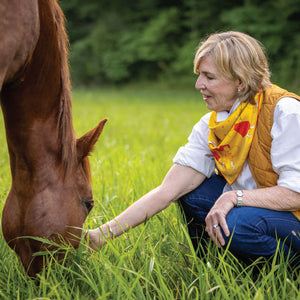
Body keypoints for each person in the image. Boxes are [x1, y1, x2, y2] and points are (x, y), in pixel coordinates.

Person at [87, 31, 300, 264]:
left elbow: (295, 194)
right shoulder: (212, 125)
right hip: (255, 211)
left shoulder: (285, 113)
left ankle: (287, 273)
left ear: (240, 81)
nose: (199, 84)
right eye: (200, 75)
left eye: (209, 77)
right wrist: (101, 235)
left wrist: (233, 197)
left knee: (236, 222)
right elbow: (167, 191)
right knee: (193, 193)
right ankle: (218, 267)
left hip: (292, 216)